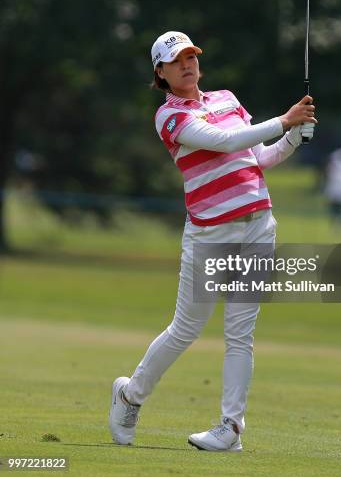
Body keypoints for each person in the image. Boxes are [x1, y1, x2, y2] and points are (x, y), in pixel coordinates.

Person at [109, 31, 317, 451]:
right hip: (211, 231)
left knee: (241, 334)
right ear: (161, 73)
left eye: (191, 56)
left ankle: (231, 428)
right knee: (186, 329)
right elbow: (223, 142)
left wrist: (294, 136)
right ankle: (130, 395)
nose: (187, 64)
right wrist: (284, 120)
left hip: (259, 224)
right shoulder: (169, 117)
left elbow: (256, 157)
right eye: (177, 60)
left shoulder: (226, 98)